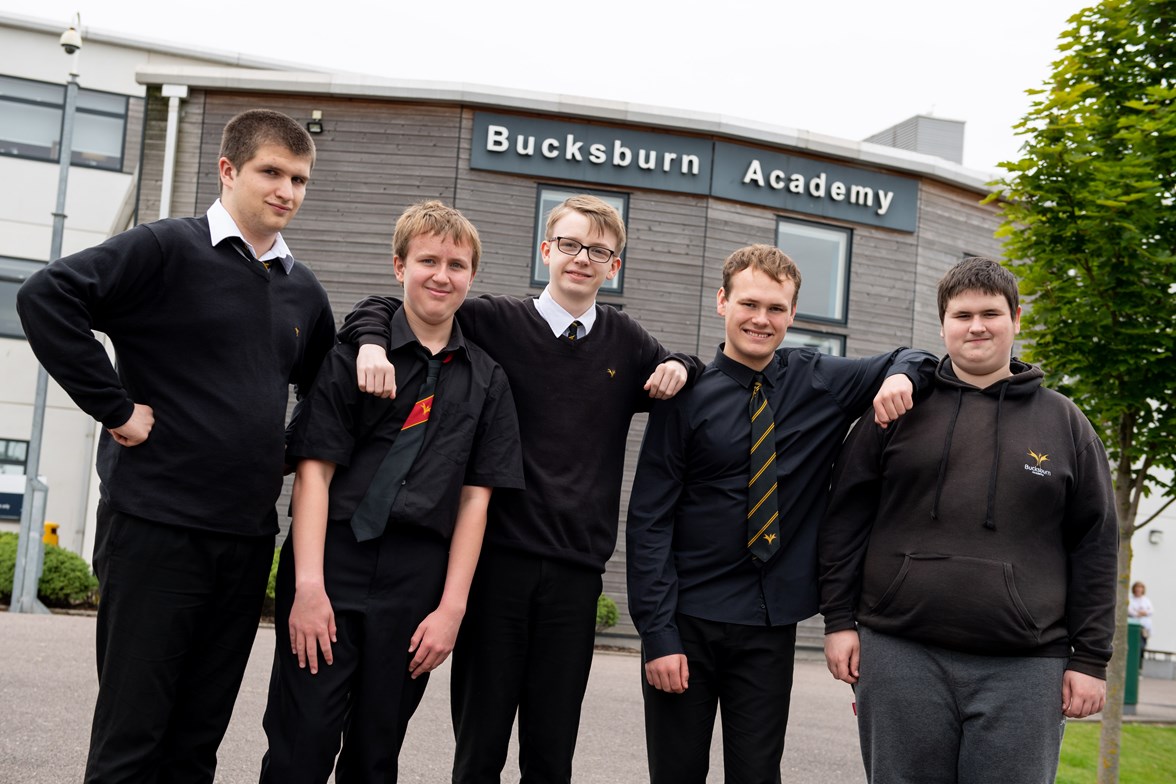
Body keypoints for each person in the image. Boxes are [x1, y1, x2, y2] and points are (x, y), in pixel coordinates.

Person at [16, 109, 336, 783]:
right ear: (228, 170)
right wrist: (115, 407)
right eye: (271, 172)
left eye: (299, 178)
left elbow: (321, 391)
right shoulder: (164, 249)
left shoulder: (301, 289)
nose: (286, 189)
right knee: (132, 742)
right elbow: (47, 296)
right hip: (156, 530)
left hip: (244, 542)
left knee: (195, 746)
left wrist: (281, 445)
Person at [338, 194, 701, 783]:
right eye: (570, 244)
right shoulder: (493, 322)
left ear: (614, 265)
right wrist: (373, 343)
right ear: (546, 250)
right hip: (494, 568)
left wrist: (684, 364)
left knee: (551, 754)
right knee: (479, 749)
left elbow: (690, 373)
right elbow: (384, 306)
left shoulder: (628, 343)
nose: (582, 258)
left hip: (576, 574)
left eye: (600, 251)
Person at [625, 243, 936, 783]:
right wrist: (658, 635)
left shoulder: (820, 381)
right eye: (749, 304)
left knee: (758, 775)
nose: (760, 320)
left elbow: (913, 356)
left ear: (792, 314)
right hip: (688, 621)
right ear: (722, 302)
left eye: (775, 308)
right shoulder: (685, 395)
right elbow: (650, 520)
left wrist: (902, 379)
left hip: (769, 627)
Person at [820, 256, 1118, 784]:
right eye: (962, 315)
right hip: (899, 654)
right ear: (942, 325)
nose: (976, 326)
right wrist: (840, 622)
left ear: (1016, 319)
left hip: (1026, 668)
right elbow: (844, 519)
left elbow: (1095, 545)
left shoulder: (1064, 422)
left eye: (990, 313)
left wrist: (1090, 659)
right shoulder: (895, 409)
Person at [259, 200, 524, 783]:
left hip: (417, 578)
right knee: (299, 749)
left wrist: (451, 609)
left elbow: (475, 500)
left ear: (472, 277)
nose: (441, 275)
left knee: (376, 755)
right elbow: (313, 475)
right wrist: (306, 587)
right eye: (427, 259)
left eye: (457, 264)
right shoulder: (354, 356)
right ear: (399, 266)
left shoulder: (488, 380)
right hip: (333, 562)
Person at [1129, 581, 1154, 664]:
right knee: (1134, 647)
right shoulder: (1130, 599)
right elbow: (1130, 611)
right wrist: (1139, 613)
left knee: (1142, 646)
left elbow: (1151, 611)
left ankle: (1139, 665)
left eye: (1140, 588)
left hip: (1144, 628)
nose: (1138, 590)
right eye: (1137, 588)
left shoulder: (1146, 600)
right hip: (1134, 627)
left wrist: (1143, 612)